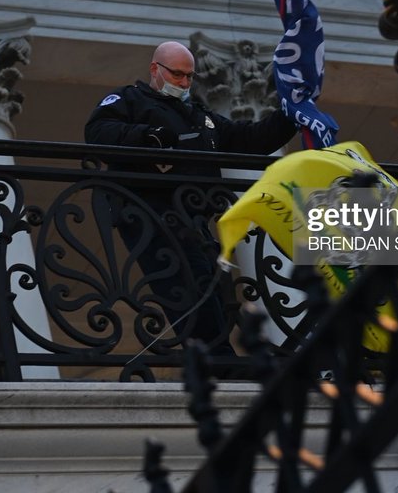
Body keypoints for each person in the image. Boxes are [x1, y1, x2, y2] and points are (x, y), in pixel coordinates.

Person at [85, 41, 297, 355]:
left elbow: (249, 138)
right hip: (151, 211)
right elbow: (98, 131)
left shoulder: (199, 115)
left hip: (194, 216)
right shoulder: (131, 99)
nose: (184, 82)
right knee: (188, 282)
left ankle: (222, 356)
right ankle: (217, 360)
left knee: (214, 288)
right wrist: (149, 137)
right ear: (155, 69)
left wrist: (290, 116)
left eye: (189, 76)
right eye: (177, 75)